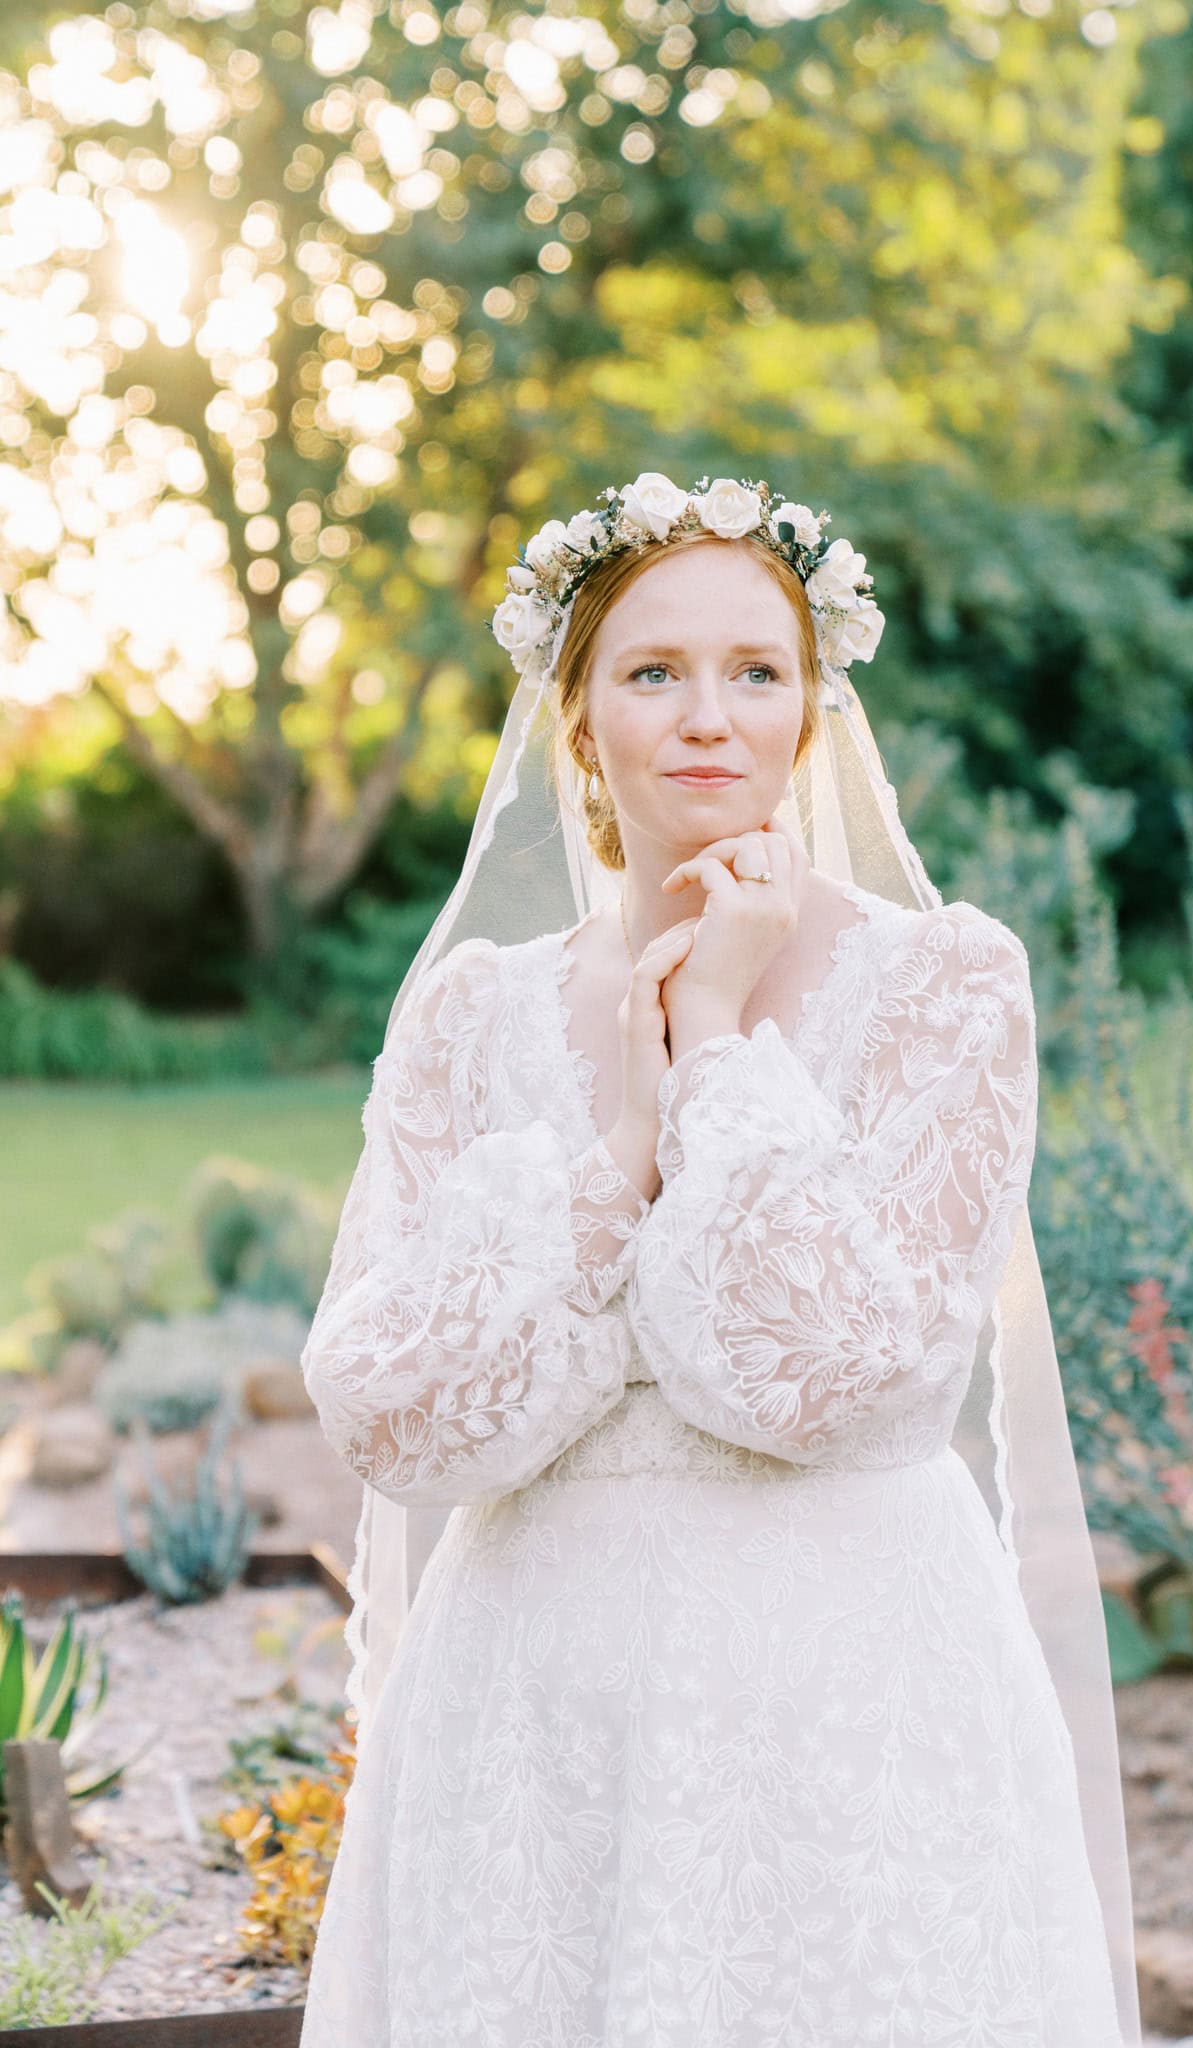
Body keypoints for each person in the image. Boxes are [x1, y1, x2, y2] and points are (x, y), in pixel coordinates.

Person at [296, 473, 1143, 2046]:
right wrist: (619, 1150)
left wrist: (714, 1044)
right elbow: (392, 1415)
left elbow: (835, 1379)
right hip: (530, 1722)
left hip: (847, 1700)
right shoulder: (470, 1010)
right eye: (653, 671)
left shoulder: (946, 988)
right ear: (579, 717)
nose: (710, 716)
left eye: (757, 670)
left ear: (812, 709)